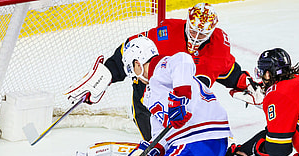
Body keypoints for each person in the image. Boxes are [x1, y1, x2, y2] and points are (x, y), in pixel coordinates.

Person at [103, 2, 262, 141]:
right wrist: (109, 72)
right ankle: (155, 146)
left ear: (212, 31)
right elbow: (133, 48)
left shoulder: (217, 46)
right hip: (154, 90)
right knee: (149, 119)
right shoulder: (167, 32)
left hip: (186, 100)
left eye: (203, 34)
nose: (196, 38)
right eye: (193, 31)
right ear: (187, 23)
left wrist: (245, 83)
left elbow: (227, 70)